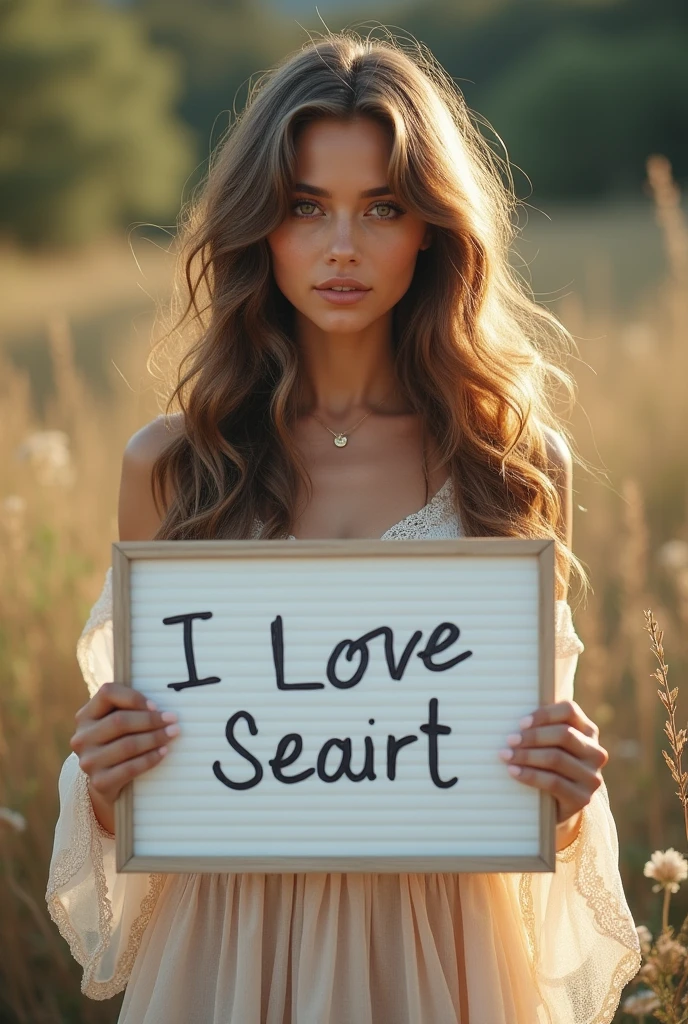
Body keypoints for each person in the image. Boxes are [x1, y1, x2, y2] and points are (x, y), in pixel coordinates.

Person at [46, 30, 641, 1024]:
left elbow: (529, 789)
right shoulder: (174, 465)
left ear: (433, 229)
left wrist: (568, 792)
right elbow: (147, 793)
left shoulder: (514, 467)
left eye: (383, 208)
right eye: (304, 206)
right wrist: (107, 782)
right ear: (259, 226)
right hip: (227, 947)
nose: (341, 247)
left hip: (445, 949)